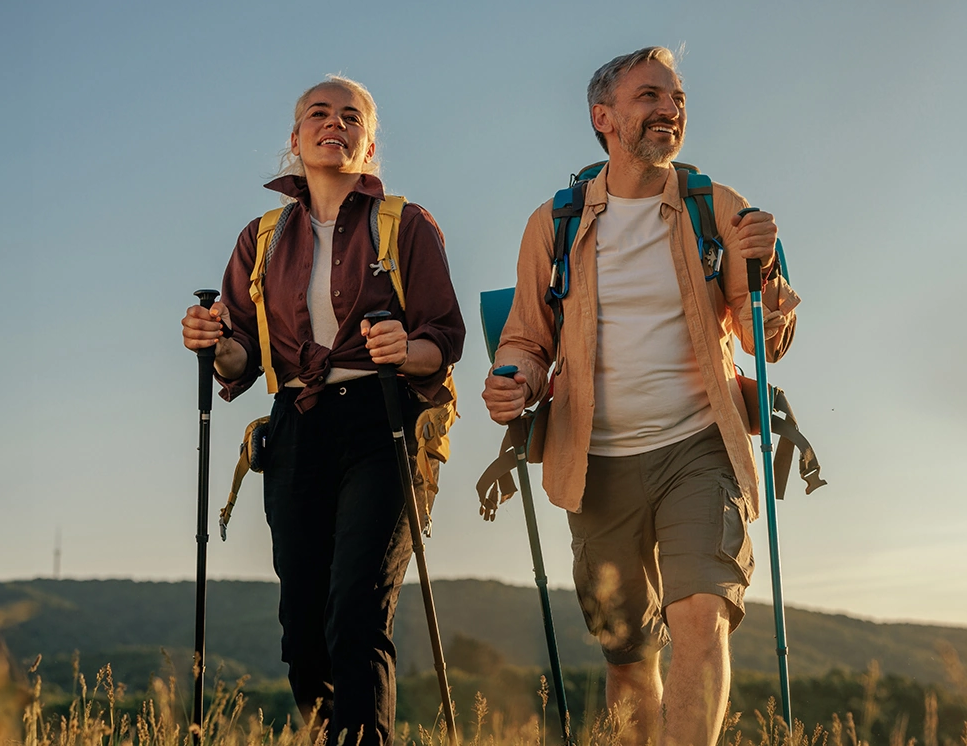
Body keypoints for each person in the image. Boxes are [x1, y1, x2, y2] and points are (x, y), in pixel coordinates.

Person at [482, 48, 800, 745]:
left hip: (700, 449)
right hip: (595, 462)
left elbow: (763, 342)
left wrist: (766, 269)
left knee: (701, 617)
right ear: (604, 117)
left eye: (678, 98)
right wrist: (513, 383)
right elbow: (526, 340)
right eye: (650, 96)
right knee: (628, 655)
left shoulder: (715, 206)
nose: (670, 109)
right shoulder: (555, 223)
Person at [181, 75, 465, 746]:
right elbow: (241, 360)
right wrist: (212, 341)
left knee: (358, 614)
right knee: (304, 627)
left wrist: (407, 345)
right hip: (295, 427)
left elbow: (444, 339)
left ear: (369, 143)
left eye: (350, 116)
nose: (332, 123)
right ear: (295, 137)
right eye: (318, 112)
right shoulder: (262, 236)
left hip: (383, 421)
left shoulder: (407, 224)